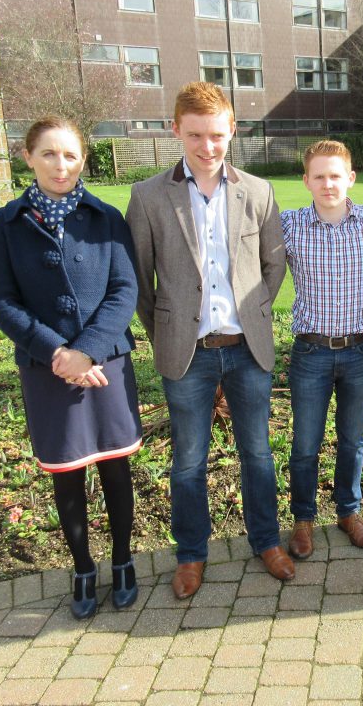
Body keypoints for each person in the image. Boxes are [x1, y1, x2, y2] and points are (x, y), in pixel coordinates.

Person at [125, 82, 291, 592]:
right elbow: (140, 278)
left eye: (217, 135)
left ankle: (267, 541)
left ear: (232, 131)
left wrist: (255, 314)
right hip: (188, 352)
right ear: (176, 130)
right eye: (195, 134)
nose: (207, 146)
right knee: (189, 459)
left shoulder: (257, 192)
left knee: (258, 454)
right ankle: (191, 554)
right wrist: (167, 332)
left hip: (247, 349)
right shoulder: (149, 196)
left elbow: (273, 263)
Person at [0, 117, 141, 620]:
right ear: (27, 156)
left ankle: (122, 561)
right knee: (67, 473)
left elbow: (125, 290)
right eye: (49, 154)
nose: (61, 164)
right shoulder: (6, 224)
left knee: (116, 466)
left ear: (83, 160)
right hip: (46, 368)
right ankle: (82, 569)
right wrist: (59, 354)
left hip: (106, 364)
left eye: (70, 155)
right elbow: (2, 302)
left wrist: (88, 352)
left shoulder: (106, 217)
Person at [280, 140, 363, 559]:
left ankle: (348, 510)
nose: (328, 184)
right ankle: (303, 518)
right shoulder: (288, 225)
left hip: (360, 350)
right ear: (306, 181)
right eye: (319, 176)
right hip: (311, 353)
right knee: (305, 442)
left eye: (335, 175)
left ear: (351, 178)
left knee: (351, 440)